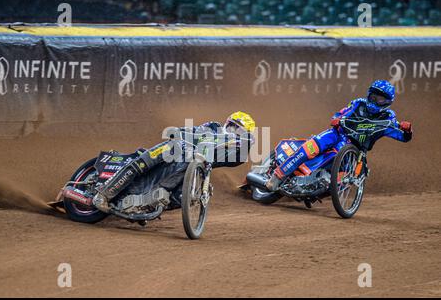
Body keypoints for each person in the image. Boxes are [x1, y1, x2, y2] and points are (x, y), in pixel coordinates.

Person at [266, 80, 413, 191]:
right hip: (337, 134)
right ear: (369, 94)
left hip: (355, 149)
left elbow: (402, 136)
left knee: (350, 175)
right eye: (374, 96)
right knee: (312, 146)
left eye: (380, 99)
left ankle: (316, 185)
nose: (376, 101)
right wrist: (336, 119)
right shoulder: (358, 103)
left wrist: (407, 131)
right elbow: (339, 114)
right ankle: (278, 176)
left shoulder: (389, 116)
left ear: (387, 102)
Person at [93, 111, 256, 211]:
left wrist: (246, 143)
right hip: (176, 149)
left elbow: (238, 160)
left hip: (185, 172)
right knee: (144, 162)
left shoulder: (227, 152)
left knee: (184, 198)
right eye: (233, 127)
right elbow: (194, 131)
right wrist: (180, 133)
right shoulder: (213, 127)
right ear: (227, 123)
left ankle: (145, 206)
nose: (234, 132)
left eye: (239, 131)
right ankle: (104, 194)